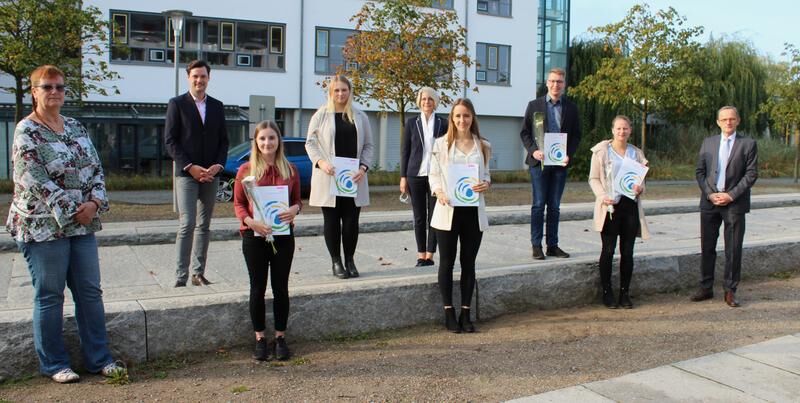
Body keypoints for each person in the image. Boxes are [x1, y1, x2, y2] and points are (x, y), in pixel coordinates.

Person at [6, 65, 126, 383]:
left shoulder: (75, 126)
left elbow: (96, 169)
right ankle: (55, 363)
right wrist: (73, 209)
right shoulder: (26, 131)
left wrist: (95, 203)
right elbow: (31, 178)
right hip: (43, 227)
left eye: (60, 87)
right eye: (47, 87)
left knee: (89, 292)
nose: (55, 92)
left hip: (83, 225)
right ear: (34, 91)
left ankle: (99, 359)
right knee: (50, 295)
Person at [233, 121, 302, 361]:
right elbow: (239, 204)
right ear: (256, 141)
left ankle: (280, 337)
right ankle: (260, 338)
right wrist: (251, 222)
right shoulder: (245, 170)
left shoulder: (290, 169)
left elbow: (297, 201)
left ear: (278, 141)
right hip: (254, 237)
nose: (267, 143)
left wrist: (294, 210)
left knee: (281, 287)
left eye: (271, 138)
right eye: (262, 139)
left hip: (283, 236)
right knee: (257, 288)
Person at [165, 60, 229, 287]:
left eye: (203, 76)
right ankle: (180, 276)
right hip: (187, 175)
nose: (199, 80)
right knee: (187, 223)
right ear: (188, 78)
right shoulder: (177, 104)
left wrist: (218, 166)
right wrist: (190, 167)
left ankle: (197, 273)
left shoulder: (217, 106)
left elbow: (224, 141)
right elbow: (170, 141)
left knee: (204, 224)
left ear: (208, 78)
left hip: (211, 175)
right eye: (195, 76)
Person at [429, 98, 491, 333]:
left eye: (466, 115)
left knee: (468, 262)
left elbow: (486, 174)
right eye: (457, 116)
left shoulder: (483, 145)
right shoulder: (440, 145)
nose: (462, 120)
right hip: (447, 211)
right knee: (446, 262)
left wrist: (486, 183)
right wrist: (440, 192)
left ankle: (466, 312)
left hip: (473, 212)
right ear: (451, 119)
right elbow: (433, 175)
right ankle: (449, 312)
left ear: (472, 117)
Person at [305, 75, 374, 279]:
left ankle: (350, 260)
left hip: (354, 178)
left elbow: (369, 145)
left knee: (352, 222)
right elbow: (310, 143)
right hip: (329, 177)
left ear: (350, 91)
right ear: (330, 93)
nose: (340, 94)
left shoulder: (360, 116)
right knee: (332, 221)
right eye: (336, 90)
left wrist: (363, 167)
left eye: (344, 90)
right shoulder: (321, 115)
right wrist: (321, 162)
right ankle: (336, 261)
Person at [692, 106, 758, 307]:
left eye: (732, 119)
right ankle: (706, 287)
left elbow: (751, 174)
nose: (728, 122)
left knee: (733, 248)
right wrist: (710, 194)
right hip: (710, 202)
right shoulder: (708, 142)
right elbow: (700, 172)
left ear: (738, 120)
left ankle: (730, 290)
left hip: (734, 204)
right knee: (707, 247)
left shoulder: (748, 144)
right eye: (724, 119)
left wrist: (730, 195)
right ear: (718, 122)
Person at [588, 115, 651, 309]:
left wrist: (641, 188)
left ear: (630, 130)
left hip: (630, 206)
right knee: (608, 250)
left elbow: (642, 181)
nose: (621, 132)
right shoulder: (601, 151)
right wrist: (601, 195)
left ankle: (625, 293)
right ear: (612, 130)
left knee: (628, 251)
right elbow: (593, 178)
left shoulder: (636, 154)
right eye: (618, 129)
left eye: (625, 129)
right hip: (610, 206)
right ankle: (607, 292)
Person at [519, 67, 581, 260]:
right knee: (538, 205)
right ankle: (536, 245)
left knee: (554, 206)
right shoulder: (534, 105)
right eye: (552, 81)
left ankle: (552, 245)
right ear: (547, 83)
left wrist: (569, 154)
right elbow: (525, 133)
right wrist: (533, 151)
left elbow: (577, 135)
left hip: (559, 165)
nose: (556, 85)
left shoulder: (571, 108)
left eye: (559, 82)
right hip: (539, 164)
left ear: (564, 84)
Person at [400, 87, 448, 267]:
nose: (426, 102)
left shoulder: (443, 123)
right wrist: (403, 177)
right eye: (423, 99)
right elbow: (405, 151)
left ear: (435, 102)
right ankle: (421, 254)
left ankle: (430, 254)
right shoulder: (412, 123)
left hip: (436, 177)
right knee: (419, 216)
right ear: (419, 101)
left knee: (434, 216)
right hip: (415, 175)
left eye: (430, 99)